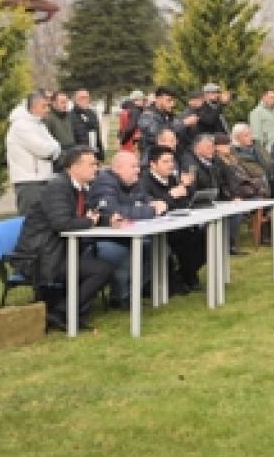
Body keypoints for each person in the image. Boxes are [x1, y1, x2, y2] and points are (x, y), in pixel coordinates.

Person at [8, 146, 117, 331]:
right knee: (101, 269)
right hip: (41, 257)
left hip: (60, 252)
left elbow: (84, 216)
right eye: (92, 164)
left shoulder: (81, 188)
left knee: (102, 266)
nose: (96, 168)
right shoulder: (57, 188)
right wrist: (90, 222)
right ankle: (61, 313)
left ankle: (65, 311)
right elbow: (62, 223)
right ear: (74, 167)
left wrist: (108, 220)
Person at [86, 150, 163, 305]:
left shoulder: (134, 181)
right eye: (133, 166)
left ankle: (132, 291)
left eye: (138, 166)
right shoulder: (104, 183)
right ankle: (120, 296)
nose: (138, 170)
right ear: (118, 168)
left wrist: (155, 204)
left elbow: (147, 200)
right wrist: (151, 210)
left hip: (126, 234)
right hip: (102, 237)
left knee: (160, 248)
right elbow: (115, 212)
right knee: (122, 252)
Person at [143, 145, 206, 293]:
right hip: (159, 229)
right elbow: (155, 207)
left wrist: (187, 187)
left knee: (206, 236)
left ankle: (185, 274)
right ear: (153, 164)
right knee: (184, 240)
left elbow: (185, 202)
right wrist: (171, 196)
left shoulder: (172, 179)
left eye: (171, 161)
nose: (170, 165)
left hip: (180, 224)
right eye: (165, 161)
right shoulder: (145, 183)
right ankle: (186, 277)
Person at [6, 93, 62, 214]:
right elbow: (44, 150)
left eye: (47, 106)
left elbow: (56, 145)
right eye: (43, 106)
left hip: (44, 179)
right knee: (30, 221)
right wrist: (51, 152)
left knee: (44, 221)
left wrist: (52, 151)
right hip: (29, 182)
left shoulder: (39, 124)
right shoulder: (20, 126)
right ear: (32, 108)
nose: (47, 110)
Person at [137, 86, 180, 165]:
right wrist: (183, 124)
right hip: (151, 160)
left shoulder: (168, 115)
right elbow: (159, 136)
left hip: (166, 158)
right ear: (158, 99)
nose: (172, 104)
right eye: (169, 100)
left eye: (173, 101)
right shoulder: (147, 116)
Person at [70, 89, 105, 162]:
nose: (85, 100)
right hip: (80, 155)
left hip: (94, 152)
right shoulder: (70, 116)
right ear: (75, 100)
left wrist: (100, 153)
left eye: (87, 97)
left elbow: (97, 134)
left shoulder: (92, 113)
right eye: (82, 98)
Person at [249, 89, 274, 156]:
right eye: (271, 97)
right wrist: (261, 152)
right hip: (267, 150)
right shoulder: (256, 112)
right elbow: (256, 135)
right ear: (264, 97)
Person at [43, 91, 77, 156]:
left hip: (72, 154)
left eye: (66, 102)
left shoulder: (69, 116)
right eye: (62, 102)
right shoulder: (48, 118)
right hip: (58, 156)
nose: (65, 105)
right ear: (53, 103)